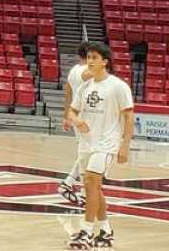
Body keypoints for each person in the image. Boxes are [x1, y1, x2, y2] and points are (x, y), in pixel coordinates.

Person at [65, 40, 134, 249]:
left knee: (90, 182)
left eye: (94, 58)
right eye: (88, 58)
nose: (90, 62)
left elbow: (129, 117)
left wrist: (125, 145)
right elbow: (71, 111)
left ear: (105, 62)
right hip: (86, 143)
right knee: (94, 187)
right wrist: (75, 120)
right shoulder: (84, 87)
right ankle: (105, 230)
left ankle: (86, 231)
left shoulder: (119, 86)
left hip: (107, 144)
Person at [59, 46, 93, 208]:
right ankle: (84, 194)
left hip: (76, 115)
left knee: (87, 153)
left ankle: (69, 182)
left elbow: (68, 92)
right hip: (85, 117)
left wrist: (66, 115)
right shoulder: (87, 70)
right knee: (87, 154)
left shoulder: (74, 69)